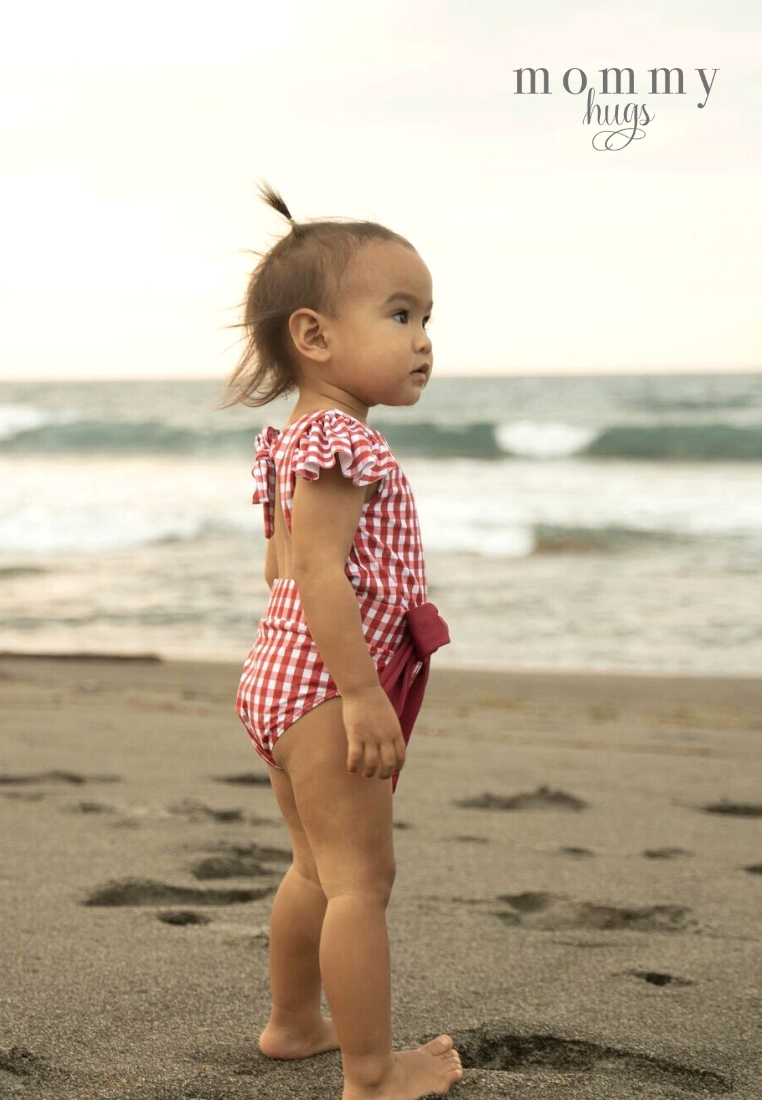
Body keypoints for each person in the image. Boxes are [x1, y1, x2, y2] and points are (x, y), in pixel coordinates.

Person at [218, 181, 462, 1100]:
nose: (424, 339)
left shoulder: (293, 441)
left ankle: (294, 1023)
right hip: (326, 685)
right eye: (400, 314)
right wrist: (361, 693)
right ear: (314, 337)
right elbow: (318, 576)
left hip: (278, 676)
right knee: (363, 877)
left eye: (429, 316)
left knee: (314, 864)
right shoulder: (344, 446)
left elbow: (278, 567)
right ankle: (372, 1073)